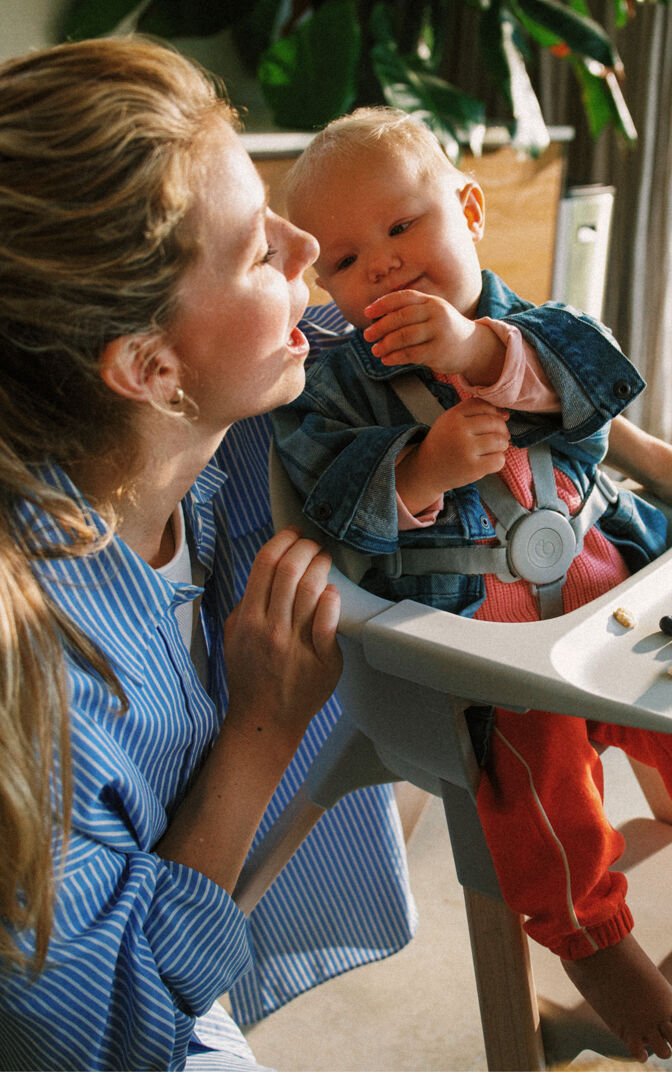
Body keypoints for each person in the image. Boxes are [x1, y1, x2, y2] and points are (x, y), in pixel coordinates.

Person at [274, 106, 672, 1063]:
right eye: (342, 260)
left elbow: (599, 389)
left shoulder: (536, 328)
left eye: (403, 227)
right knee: (537, 799)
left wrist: (476, 354)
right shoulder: (335, 385)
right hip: (493, 652)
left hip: (618, 607)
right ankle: (594, 941)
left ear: (469, 209)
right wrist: (417, 473)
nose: (378, 265)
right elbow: (329, 504)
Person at [0, 42, 417, 1070]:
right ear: (146, 365)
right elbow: (97, 1029)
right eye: (257, 252)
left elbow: (487, 349)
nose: (304, 243)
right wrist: (260, 730)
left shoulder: (223, 429)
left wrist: (653, 456)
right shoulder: (35, 675)